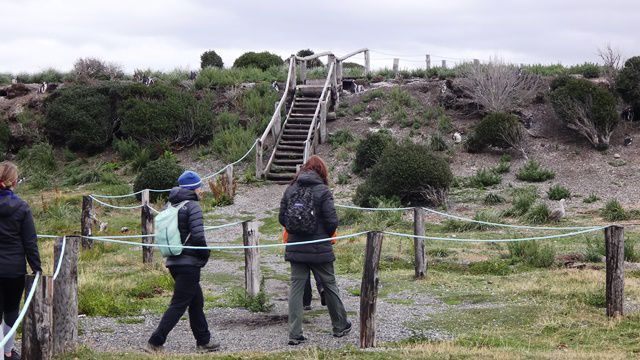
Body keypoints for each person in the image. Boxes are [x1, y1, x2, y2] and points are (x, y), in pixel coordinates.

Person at [279, 155, 351, 345]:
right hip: (320, 248)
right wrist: (323, 236)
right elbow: (332, 221)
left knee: (296, 288)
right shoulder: (323, 191)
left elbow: (282, 219)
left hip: (295, 246)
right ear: (321, 171)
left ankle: (294, 333)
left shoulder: (290, 190)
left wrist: (296, 231)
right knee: (329, 285)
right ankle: (340, 325)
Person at [146, 171, 220, 353]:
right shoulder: (193, 206)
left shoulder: (169, 205)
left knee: (196, 302)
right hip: (189, 263)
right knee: (179, 304)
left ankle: (203, 341)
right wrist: (204, 255)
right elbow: (198, 236)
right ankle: (155, 341)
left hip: (173, 261)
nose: (201, 190)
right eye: (199, 186)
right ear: (193, 188)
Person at [0, 161, 42, 360]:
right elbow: (29, 241)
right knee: (11, 310)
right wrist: (37, 268)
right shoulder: (22, 207)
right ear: (14, 182)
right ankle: (7, 351)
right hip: (13, 269)